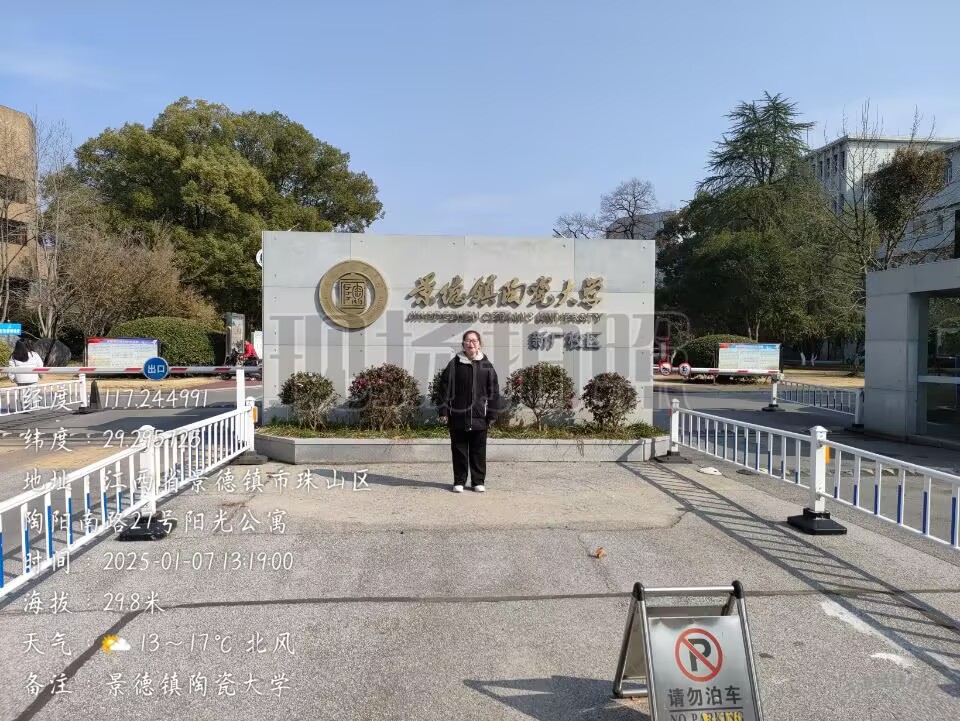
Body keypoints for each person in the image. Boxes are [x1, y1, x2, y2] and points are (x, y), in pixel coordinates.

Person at [436, 330, 501, 493]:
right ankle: (459, 481)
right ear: (463, 344)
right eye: (467, 341)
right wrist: (443, 411)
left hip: (479, 416)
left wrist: (492, 413)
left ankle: (478, 481)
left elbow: (493, 391)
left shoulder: (486, 365)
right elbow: (444, 389)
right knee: (459, 450)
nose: (471, 344)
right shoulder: (454, 364)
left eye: (474, 341)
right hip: (458, 416)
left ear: (479, 344)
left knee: (478, 450)